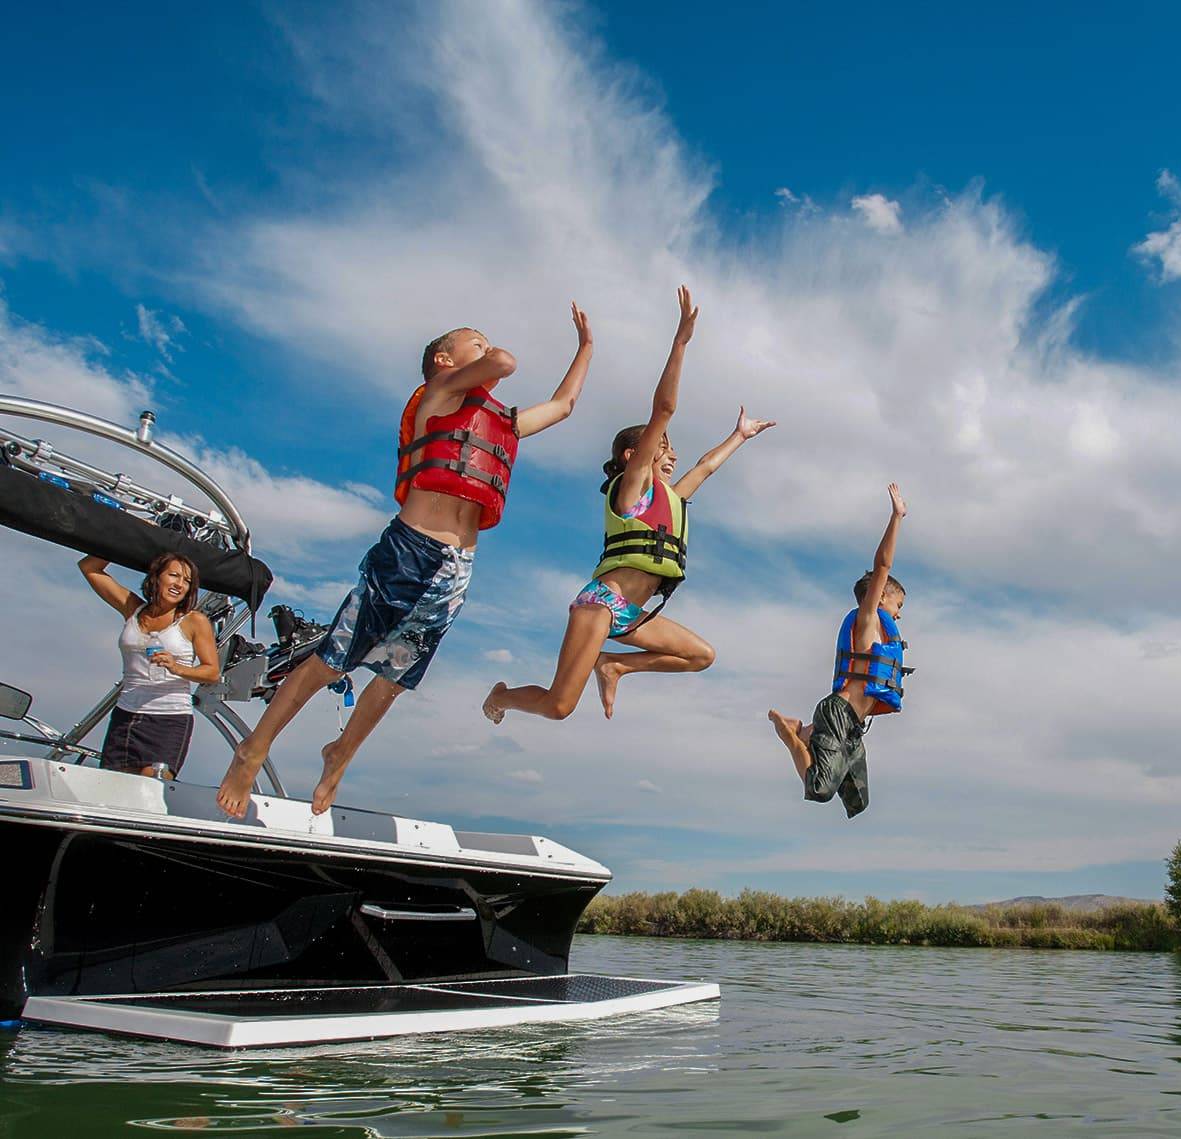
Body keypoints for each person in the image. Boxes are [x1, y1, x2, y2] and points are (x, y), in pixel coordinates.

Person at [216, 302, 596, 819]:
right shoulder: (438, 397)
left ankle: (340, 752)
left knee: (395, 678)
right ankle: (252, 749)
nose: (487, 348)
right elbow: (504, 363)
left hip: (456, 569)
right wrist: (490, 356)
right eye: (474, 342)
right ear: (445, 359)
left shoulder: (500, 421)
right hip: (409, 553)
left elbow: (564, 405)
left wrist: (586, 348)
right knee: (332, 660)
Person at [484, 287, 774, 724]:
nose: (671, 455)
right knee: (558, 706)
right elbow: (664, 408)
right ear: (632, 456)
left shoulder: (671, 498)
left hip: (632, 614)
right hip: (602, 604)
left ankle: (614, 664)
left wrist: (740, 436)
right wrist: (680, 343)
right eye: (663, 448)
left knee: (701, 655)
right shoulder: (633, 488)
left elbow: (706, 466)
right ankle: (501, 697)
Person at [768, 483, 910, 820]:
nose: (900, 613)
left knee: (858, 802)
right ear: (879, 598)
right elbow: (883, 565)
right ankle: (793, 736)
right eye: (898, 604)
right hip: (838, 713)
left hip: (851, 727)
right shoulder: (867, 620)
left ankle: (807, 731)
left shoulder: (880, 632)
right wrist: (896, 517)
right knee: (819, 789)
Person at [79, 552, 221, 778]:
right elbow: (89, 567)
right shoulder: (132, 608)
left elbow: (212, 673)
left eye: (187, 581)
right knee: (113, 787)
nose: (180, 584)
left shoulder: (194, 621)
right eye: (174, 575)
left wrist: (176, 667)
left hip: (169, 719)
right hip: (126, 715)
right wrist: (128, 533)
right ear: (156, 577)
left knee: (149, 790)